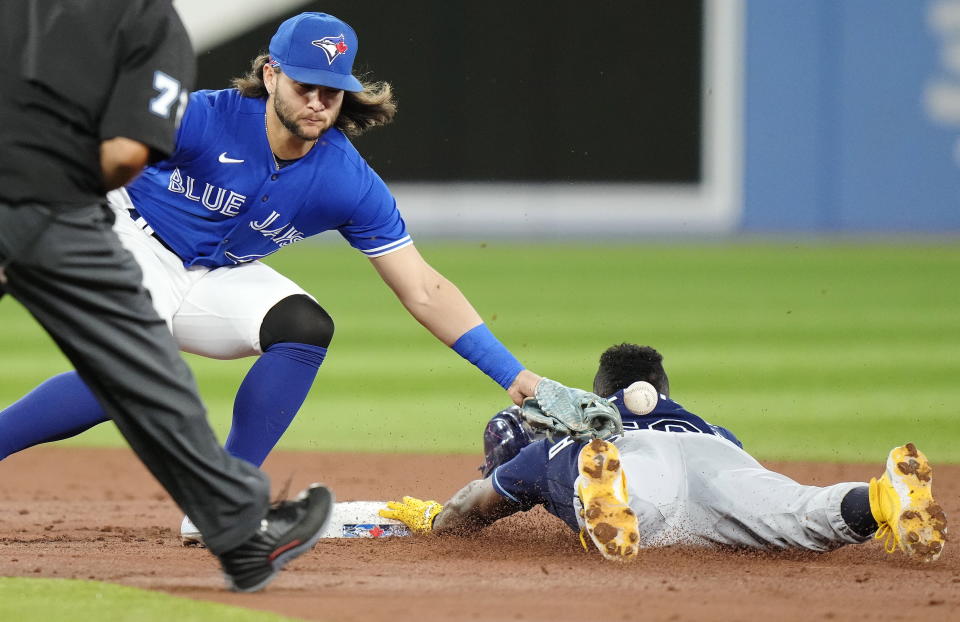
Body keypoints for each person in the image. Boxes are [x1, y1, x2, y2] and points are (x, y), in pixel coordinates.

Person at [0, 11, 541, 540]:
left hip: (214, 274)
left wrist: (517, 378)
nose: (318, 102)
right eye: (306, 85)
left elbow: (423, 288)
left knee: (303, 326)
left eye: (332, 91)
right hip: (131, 237)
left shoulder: (346, 179)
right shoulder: (203, 118)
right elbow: (94, 156)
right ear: (270, 74)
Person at [0, 0, 335, 592]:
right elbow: (128, 153)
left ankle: (238, 529)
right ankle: (240, 531)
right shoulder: (147, 21)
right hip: (46, 203)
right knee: (138, 365)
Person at [380, 344, 948, 563]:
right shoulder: (711, 428)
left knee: (640, 510)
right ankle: (882, 498)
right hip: (715, 457)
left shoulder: (567, 436)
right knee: (799, 513)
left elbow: (472, 505)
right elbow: (730, 461)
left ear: (596, 396)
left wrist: (437, 520)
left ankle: (600, 488)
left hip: (620, 455)